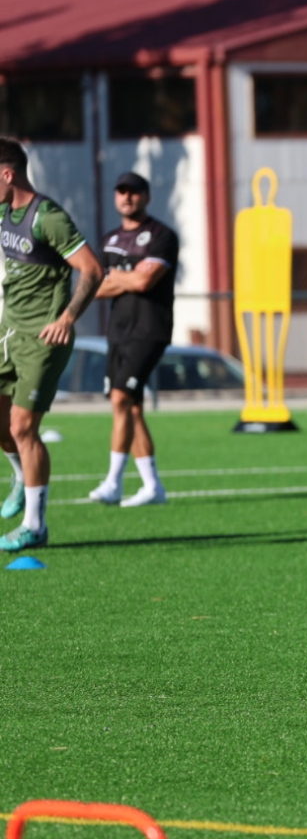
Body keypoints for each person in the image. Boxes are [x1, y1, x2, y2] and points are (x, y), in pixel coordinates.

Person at [0, 138, 105, 550]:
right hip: (8, 333)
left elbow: (92, 270)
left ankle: (35, 526)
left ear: (7, 174)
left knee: (22, 428)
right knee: (2, 425)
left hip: (43, 339)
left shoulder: (49, 217)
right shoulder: (4, 211)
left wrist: (68, 317)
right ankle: (20, 475)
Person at [87, 171, 178, 507]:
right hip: (118, 331)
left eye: (134, 192)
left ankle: (113, 482)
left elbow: (144, 282)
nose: (127, 197)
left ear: (147, 197)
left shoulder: (161, 235)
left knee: (120, 398)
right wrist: (124, 276)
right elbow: (94, 287)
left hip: (150, 330)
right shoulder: (110, 239)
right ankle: (153, 486)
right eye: (122, 191)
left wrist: (115, 276)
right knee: (133, 407)